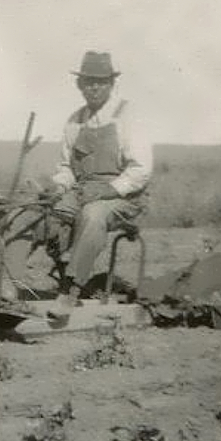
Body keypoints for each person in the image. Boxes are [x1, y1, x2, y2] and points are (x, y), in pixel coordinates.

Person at [46, 51, 151, 316]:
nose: (93, 87)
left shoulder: (128, 115)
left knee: (92, 215)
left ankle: (70, 291)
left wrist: (108, 190)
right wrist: (59, 186)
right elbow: (66, 168)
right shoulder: (74, 121)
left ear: (111, 84)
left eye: (100, 81)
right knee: (48, 213)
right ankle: (11, 288)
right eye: (88, 81)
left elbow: (141, 170)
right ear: (79, 85)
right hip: (84, 190)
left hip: (124, 195)